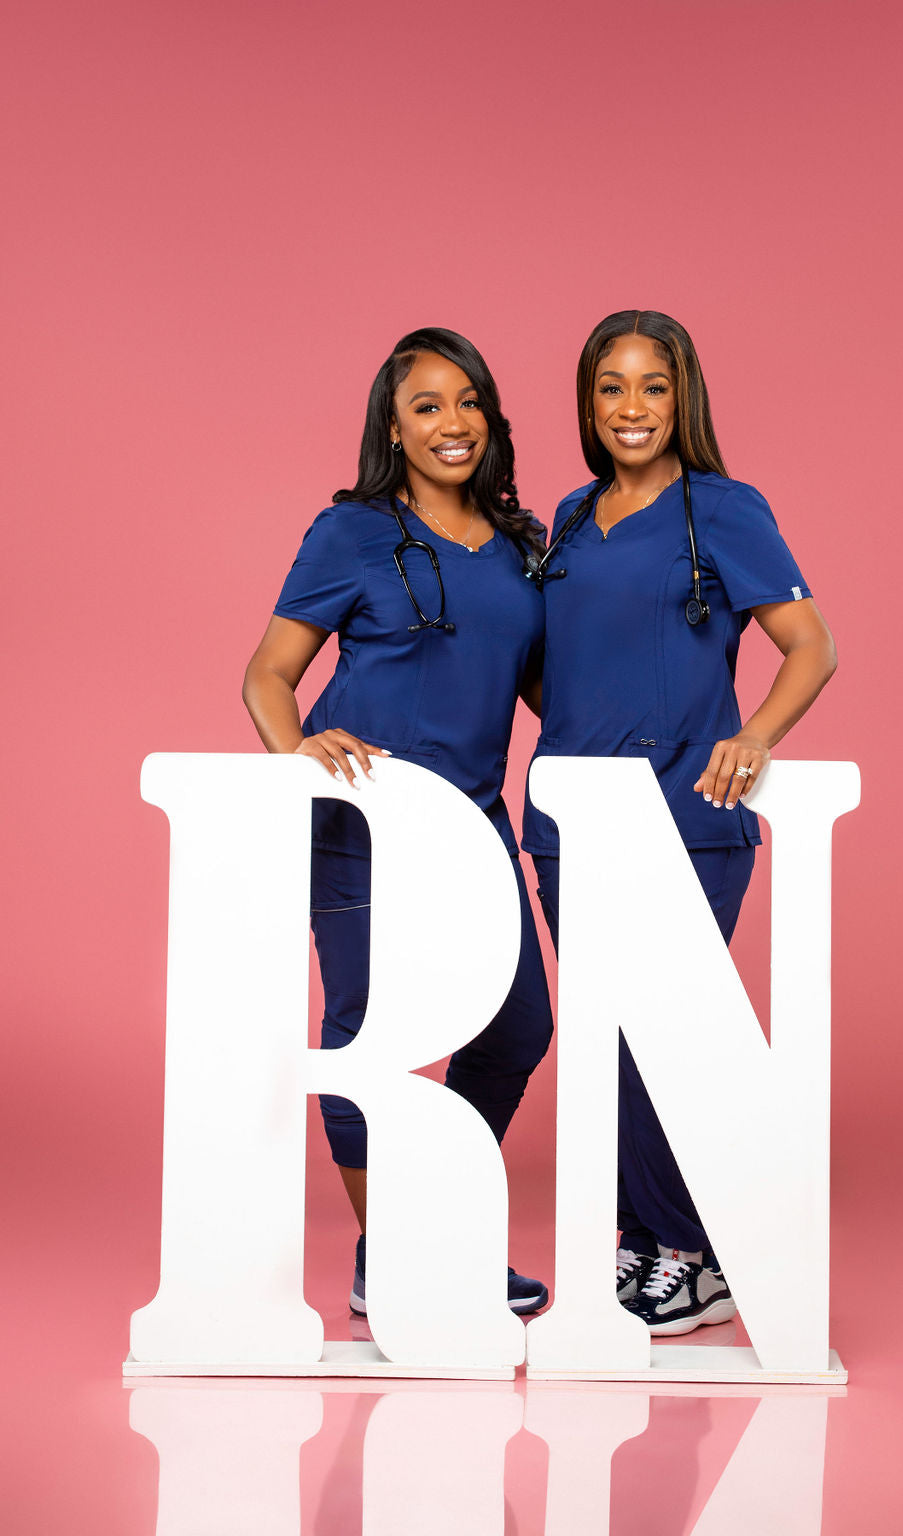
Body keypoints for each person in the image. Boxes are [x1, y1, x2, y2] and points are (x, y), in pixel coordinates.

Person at [522, 309, 838, 1335]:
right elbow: (558, 667)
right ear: (587, 403)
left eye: (651, 386)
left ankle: (688, 1256)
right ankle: (646, 1242)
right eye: (610, 387)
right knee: (607, 1041)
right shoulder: (568, 517)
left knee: (666, 1040)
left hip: (684, 818)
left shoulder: (723, 511)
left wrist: (753, 736)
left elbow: (810, 646)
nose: (630, 407)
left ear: (683, 398)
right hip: (572, 821)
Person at [243, 327, 553, 1316]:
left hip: (473, 820)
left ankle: (435, 1218)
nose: (452, 423)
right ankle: (393, 1254)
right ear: (393, 426)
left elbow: (549, 693)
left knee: (518, 1030)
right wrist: (296, 752)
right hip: (361, 820)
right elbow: (266, 674)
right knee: (364, 1038)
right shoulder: (350, 534)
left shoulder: (519, 546)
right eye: (427, 407)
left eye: (467, 402)